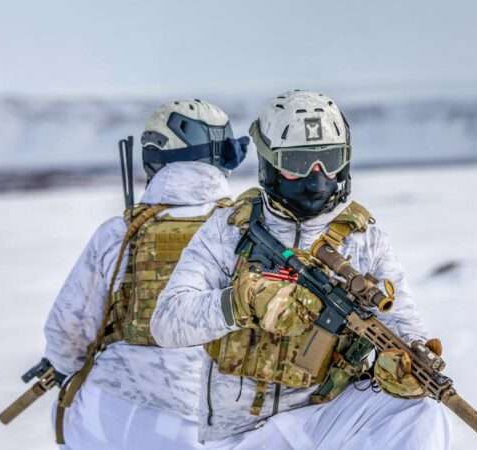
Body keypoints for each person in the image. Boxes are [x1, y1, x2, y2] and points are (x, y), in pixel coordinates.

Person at [151, 90, 451, 449]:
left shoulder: (362, 236)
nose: (317, 177)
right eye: (298, 163)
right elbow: (166, 323)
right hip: (241, 437)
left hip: (325, 419)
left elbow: (400, 318)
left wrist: (410, 361)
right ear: (269, 165)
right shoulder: (228, 228)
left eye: (329, 160)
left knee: (420, 412)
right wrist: (242, 302)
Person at [43, 99, 249, 449]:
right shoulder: (245, 232)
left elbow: (68, 334)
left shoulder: (118, 233)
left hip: (108, 415)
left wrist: (65, 367)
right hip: (208, 420)